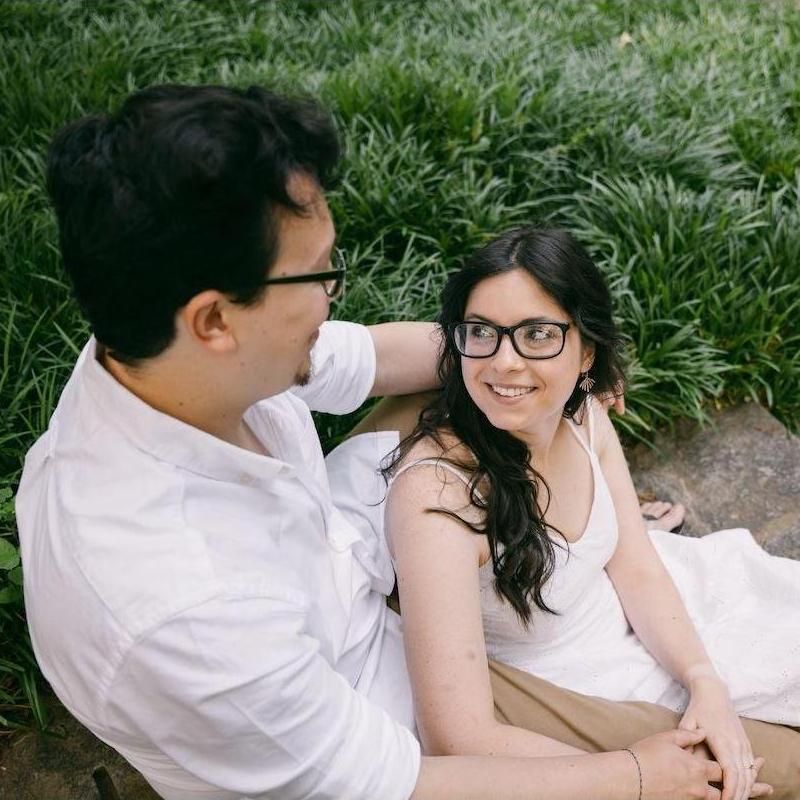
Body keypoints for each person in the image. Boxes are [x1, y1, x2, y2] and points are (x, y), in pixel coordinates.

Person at [13, 83, 790, 800]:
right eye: (317, 276)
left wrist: (546, 369)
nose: (333, 296)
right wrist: (636, 777)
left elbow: (384, 356)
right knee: (762, 768)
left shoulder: (162, 348)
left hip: (356, 566)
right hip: (382, 715)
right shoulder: (193, 612)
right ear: (216, 320)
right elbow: (406, 778)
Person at [376, 226, 800, 800]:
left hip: (647, 619)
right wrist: (638, 778)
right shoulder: (438, 499)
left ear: (587, 352)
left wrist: (704, 679)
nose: (504, 362)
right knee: (781, 769)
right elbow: (457, 737)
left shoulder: (582, 415)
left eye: (537, 335)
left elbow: (636, 564)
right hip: (570, 694)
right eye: (482, 332)